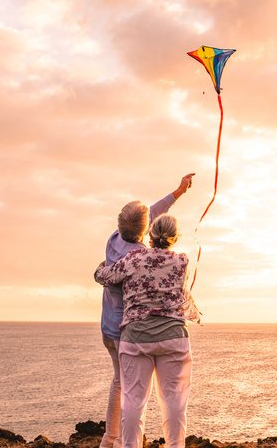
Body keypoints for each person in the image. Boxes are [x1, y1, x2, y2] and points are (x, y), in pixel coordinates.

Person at [98, 174, 194, 448]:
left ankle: (115, 441)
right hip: (127, 329)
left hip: (114, 327)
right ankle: (114, 440)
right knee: (168, 398)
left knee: (129, 393)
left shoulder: (117, 240)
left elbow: (105, 275)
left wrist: (177, 192)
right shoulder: (171, 260)